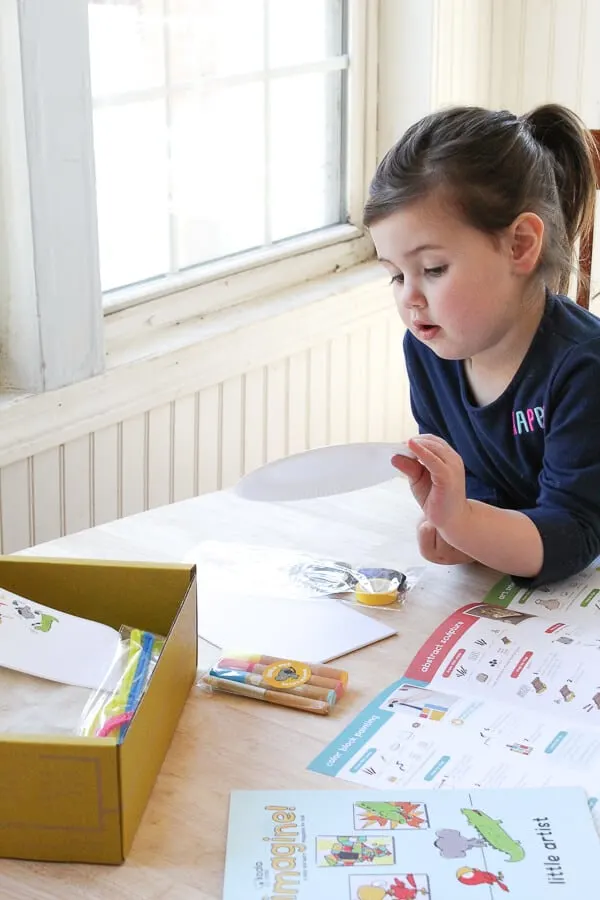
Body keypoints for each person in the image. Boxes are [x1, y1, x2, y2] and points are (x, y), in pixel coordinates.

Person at [363, 104, 600, 586]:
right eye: (394, 275)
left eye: (432, 270)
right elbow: (479, 492)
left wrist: (465, 522)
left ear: (519, 245)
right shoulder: (428, 353)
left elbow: (572, 535)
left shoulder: (584, 367)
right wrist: (461, 525)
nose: (409, 297)